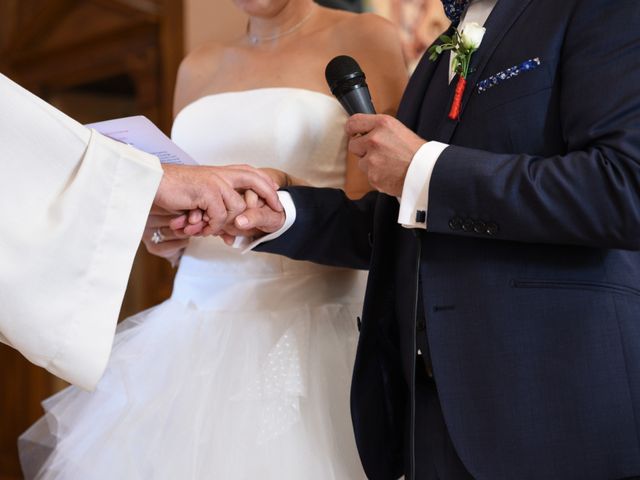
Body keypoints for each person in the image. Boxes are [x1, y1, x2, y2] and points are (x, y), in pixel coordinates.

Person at [228, 0, 640, 478]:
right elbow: (410, 220)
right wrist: (281, 215)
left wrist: (427, 169)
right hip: (433, 415)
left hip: (559, 409)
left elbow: (624, 189)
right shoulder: (437, 55)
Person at [19, 1, 406, 478]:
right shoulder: (197, 64)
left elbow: (380, 207)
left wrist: (283, 193)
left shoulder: (368, 37)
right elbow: (183, 180)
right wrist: (164, 236)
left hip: (309, 325)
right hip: (189, 325)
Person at [0, 73, 281, 390]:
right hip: (195, 300)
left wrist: (284, 192)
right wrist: (158, 207)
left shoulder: (348, 34)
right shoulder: (196, 66)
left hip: (295, 306)